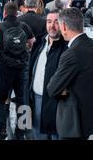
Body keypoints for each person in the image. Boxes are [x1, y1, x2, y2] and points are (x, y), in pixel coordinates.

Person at [47, 8, 93, 140]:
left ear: (64, 26)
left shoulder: (71, 53)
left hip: (72, 122)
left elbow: (52, 89)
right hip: (88, 116)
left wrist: (64, 90)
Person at [0, 2, 35, 140]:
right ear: (16, 13)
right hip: (22, 68)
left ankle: (2, 131)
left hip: (5, 69)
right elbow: (33, 43)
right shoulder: (24, 26)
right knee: (22, 99)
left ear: (5, 13)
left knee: (0, 100)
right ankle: (22, 131)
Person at [29, 10, 68, 140]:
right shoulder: (39, 42)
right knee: (38, 134)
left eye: (56, 22)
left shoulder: (67, 47)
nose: (52, 26)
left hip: (56, 101)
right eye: (49, 22)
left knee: (57, 135)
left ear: (63, 24)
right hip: (36, 98)